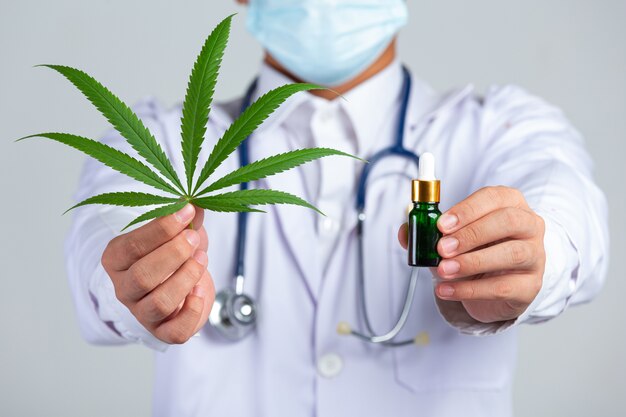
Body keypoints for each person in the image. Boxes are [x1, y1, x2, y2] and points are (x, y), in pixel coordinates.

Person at [65, 1, 609, 416]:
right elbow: (103, 234)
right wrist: (129, 280)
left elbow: (563, 198)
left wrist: (535, 254)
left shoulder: (499, 127)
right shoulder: (158, 141)